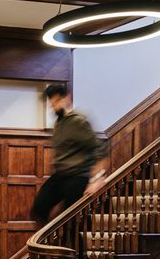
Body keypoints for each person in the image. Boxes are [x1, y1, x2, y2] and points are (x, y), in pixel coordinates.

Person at [32, 84, 109, 228]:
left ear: (67, 98)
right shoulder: (59, 123)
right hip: (60, 176)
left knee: (73, 223)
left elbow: (99, 149)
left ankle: (77, 249)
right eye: (51, 104)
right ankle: (53, 241)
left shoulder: (78, 121)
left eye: (56, 102)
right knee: (39, 207)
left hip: (77, 177)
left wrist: (97, 180)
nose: (53, 107)